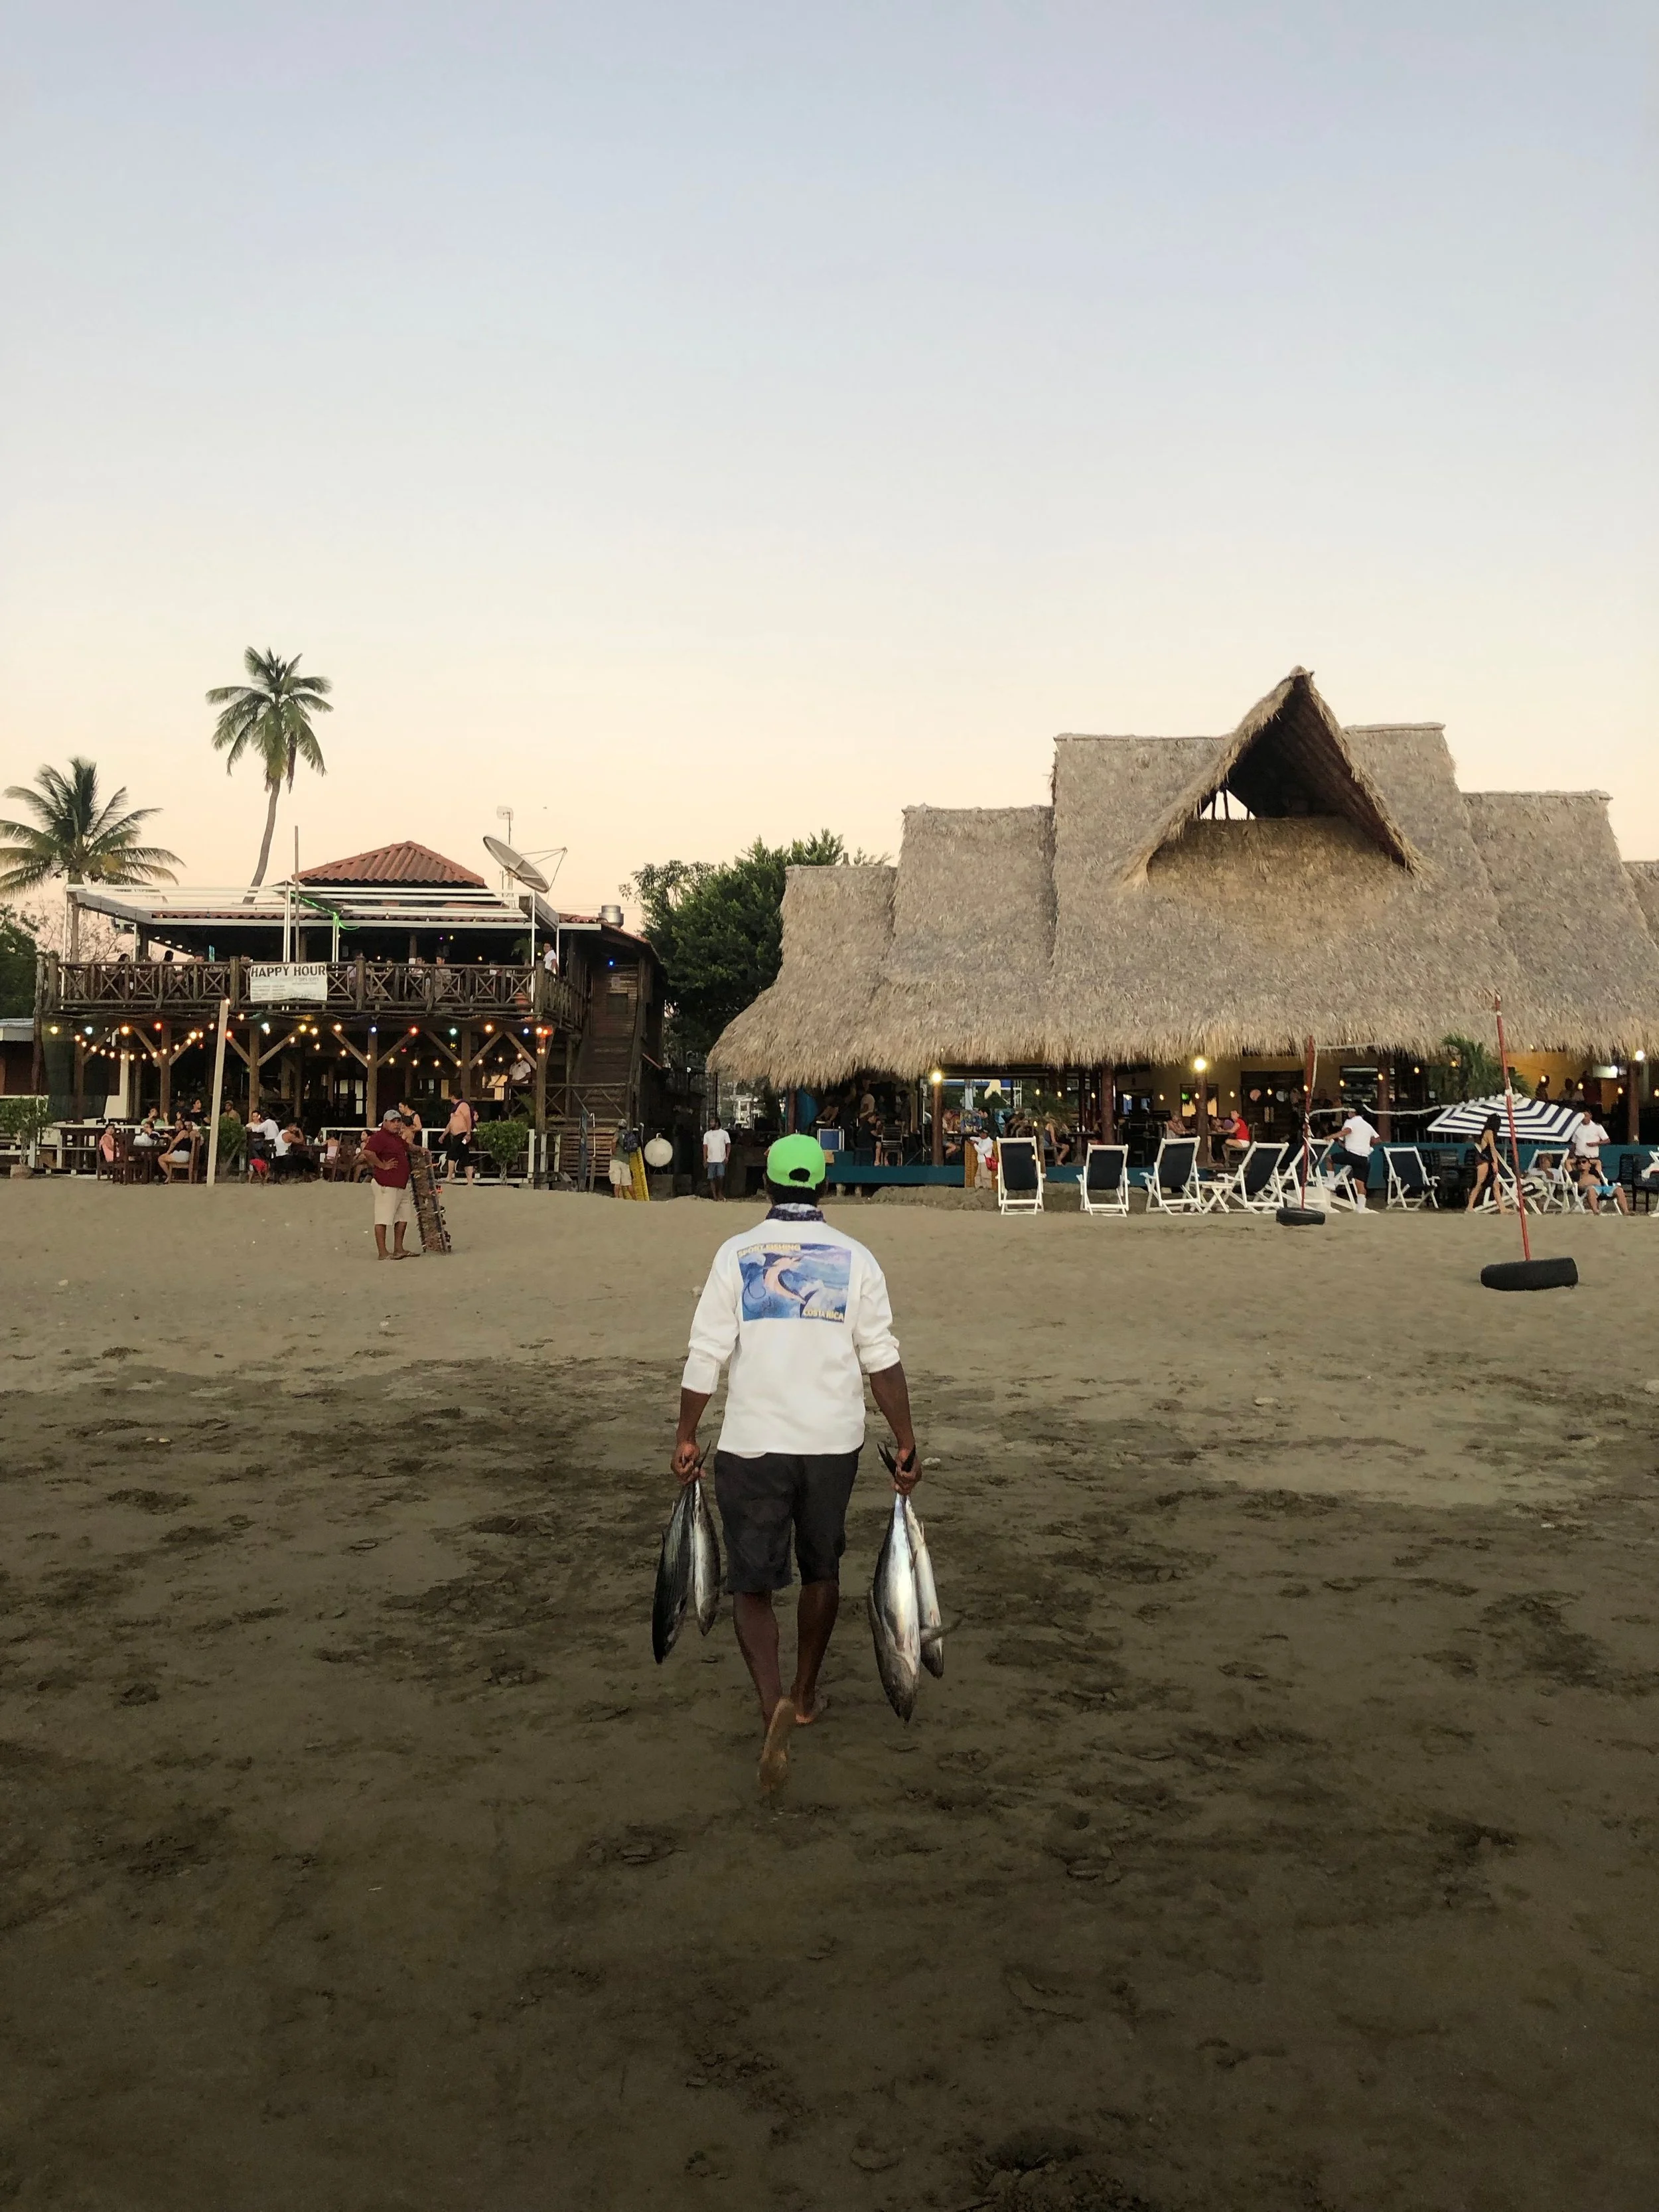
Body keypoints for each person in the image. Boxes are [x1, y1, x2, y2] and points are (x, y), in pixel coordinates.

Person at [672, 1132, 920, 1795]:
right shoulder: (856, 1258)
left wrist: (686, 1434)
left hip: (754, 1440)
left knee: (752, 1583)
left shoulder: (736, 1254)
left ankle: (770, 1704)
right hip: (831, 1442)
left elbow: (706, 1355)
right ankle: (807, 1695)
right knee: (822, 1569)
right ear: (822, 1187)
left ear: (769, 1185)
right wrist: (904, 1440)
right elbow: (881, 1358)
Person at [363, 1108, 418, 1258]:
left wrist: (421, 1149)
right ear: (385, 1122)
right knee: (383, 1218)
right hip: (386, 1184)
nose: (396, 1124)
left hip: (401, 1183)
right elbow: (368, 1152)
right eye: (393, 1121)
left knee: (403, 1217)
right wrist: (381, 1165)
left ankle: (399, 1249)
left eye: (398, 1121)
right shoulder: (380, 1137)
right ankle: (383, 1252)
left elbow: (408, 1147)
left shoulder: (395, 1138)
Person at [1571, 1110, 1627, 1215]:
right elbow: (1574, 1143)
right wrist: (1573, 1156)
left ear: (1590, 1116)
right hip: (1579, 1158)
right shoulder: (1577, 1127)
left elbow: (1607, 1140)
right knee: (1580, 1180)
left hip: (1592, 1157)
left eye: (1586, 1115)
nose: (1584, 1117)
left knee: (1596, 1179)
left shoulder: (1597, 1127)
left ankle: (1625, 1211)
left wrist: (1596, 1143)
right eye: (1582, 1115)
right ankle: (1591, 1208)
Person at [1333, 1105, 1379, 1207]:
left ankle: (1331, 1182)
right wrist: (1367, 1145)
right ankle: (1361, 1207)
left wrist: (1331, 1137)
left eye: (1350, 1111)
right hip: (1364, 1157)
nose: (1349, 1113)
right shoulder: (1367, 1125)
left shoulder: (1350, 1122)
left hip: (1352, 1154)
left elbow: (1347, 1131)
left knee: (1329, 1159)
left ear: (1354, 1113)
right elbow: (1377, 1139)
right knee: (1360, 1183)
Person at [1466, 1114, 1508, 1212]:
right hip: (1485, 1160)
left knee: (1496, 1185)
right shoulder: (1489, 1132)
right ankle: (1469, 1206)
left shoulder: (1488, 1132)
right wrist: (1495, 1163)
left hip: (1487, 1159)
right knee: (1479, 1183)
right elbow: (1492, 1148)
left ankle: (1502, 1209)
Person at [441, 1091, 477, 1185]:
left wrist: (468, 1134)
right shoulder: (455, 1109)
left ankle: (449, 1177)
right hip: (458, 1136)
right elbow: (450, 1124)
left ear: (453, 1096)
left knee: (452, 1153)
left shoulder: (463, 1105)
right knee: (465, 1156)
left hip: (463, 1135)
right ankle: (470, 1182)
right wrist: (444, 1135)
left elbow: (468, 1119)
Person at [702, 1119, 732, 1199]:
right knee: (711, 1178)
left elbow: (728, 1145)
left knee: (720, 1177)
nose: (710, 1124)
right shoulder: (707, 1134)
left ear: (717, 1123)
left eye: (712, 1122)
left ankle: (719, 1193)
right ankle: (715, 1196)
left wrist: (727, 1157)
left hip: (721, 1160)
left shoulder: (724, 1133)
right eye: (710, 1122)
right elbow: (705, 1147)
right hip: (711, 1160)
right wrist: (705, 1159)